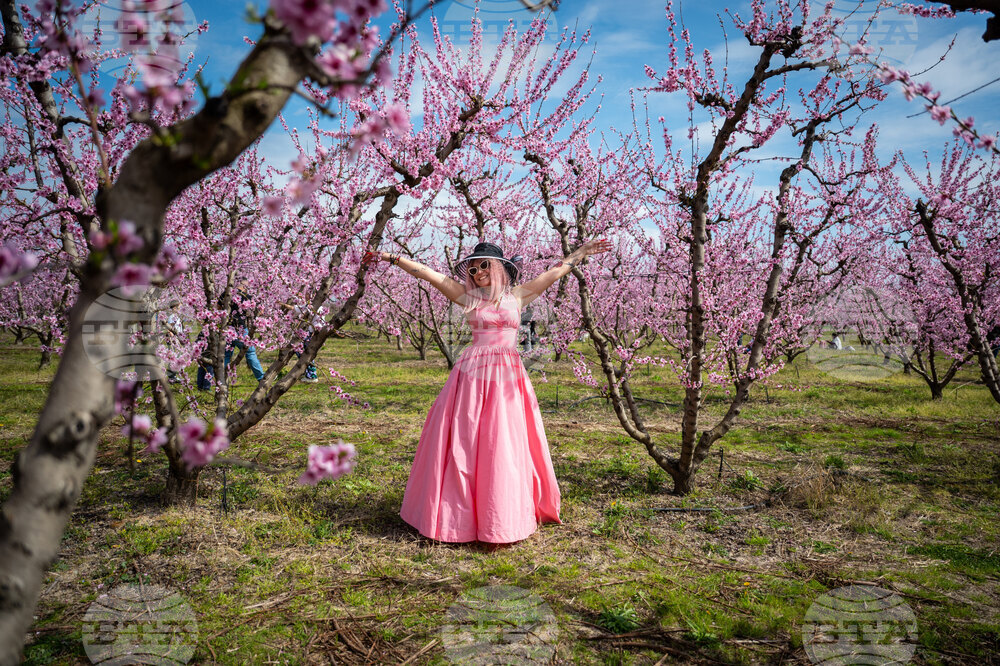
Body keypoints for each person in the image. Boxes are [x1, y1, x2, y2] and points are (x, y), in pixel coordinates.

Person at [363, 238, 613, 547]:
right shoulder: (467, 296)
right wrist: (389, 256)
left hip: (507, 376)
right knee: (465, 440)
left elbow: (554, 273)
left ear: (499, 269)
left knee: (503, 440)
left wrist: (580, 254)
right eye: (474, 266)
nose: (479, 271)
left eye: (485, 265)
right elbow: (427, 273)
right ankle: (459, 518)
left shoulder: (519, 296)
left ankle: (502, 516)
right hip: (471, 376)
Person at [197, 288, 265, 390]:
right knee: (250, 353)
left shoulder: (225, 293)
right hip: (241, 329)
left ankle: (222, 380)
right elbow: (259, 309)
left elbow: (218, 307)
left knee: (226, 356)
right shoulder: (247, 296)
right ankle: (261, 378)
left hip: (227, 329)